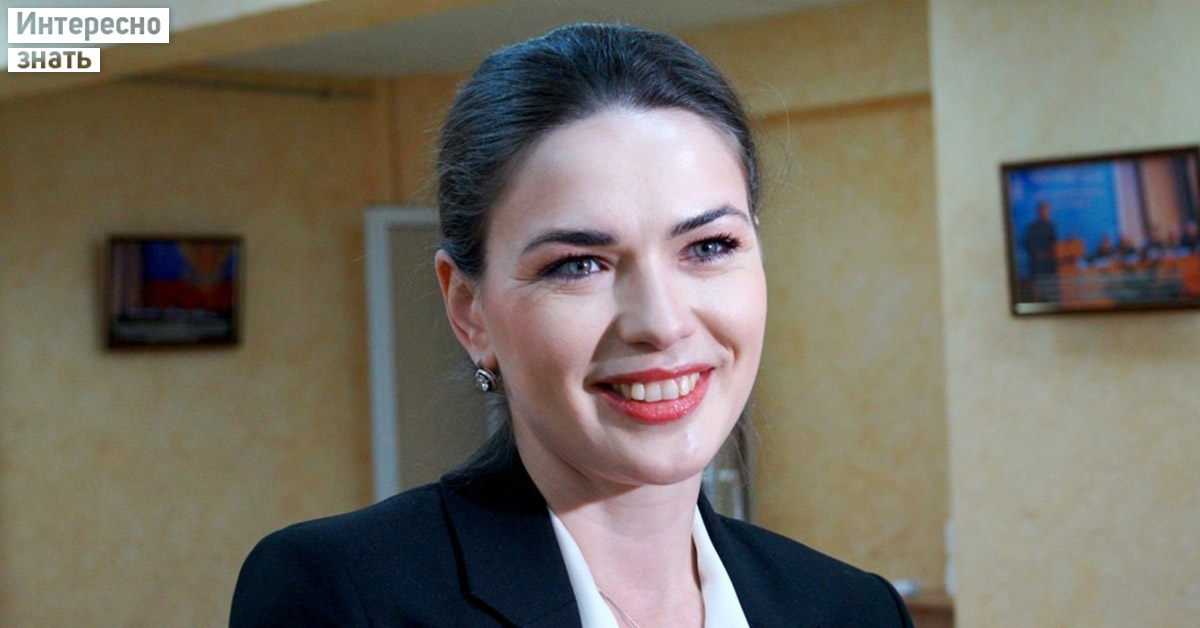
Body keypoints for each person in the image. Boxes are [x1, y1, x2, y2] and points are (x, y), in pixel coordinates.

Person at [230, 23, 913, 628]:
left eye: (708, 247)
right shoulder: (346, 597)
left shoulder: (853, 610)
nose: (661, 322)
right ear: (469, 309)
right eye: (580, 264)